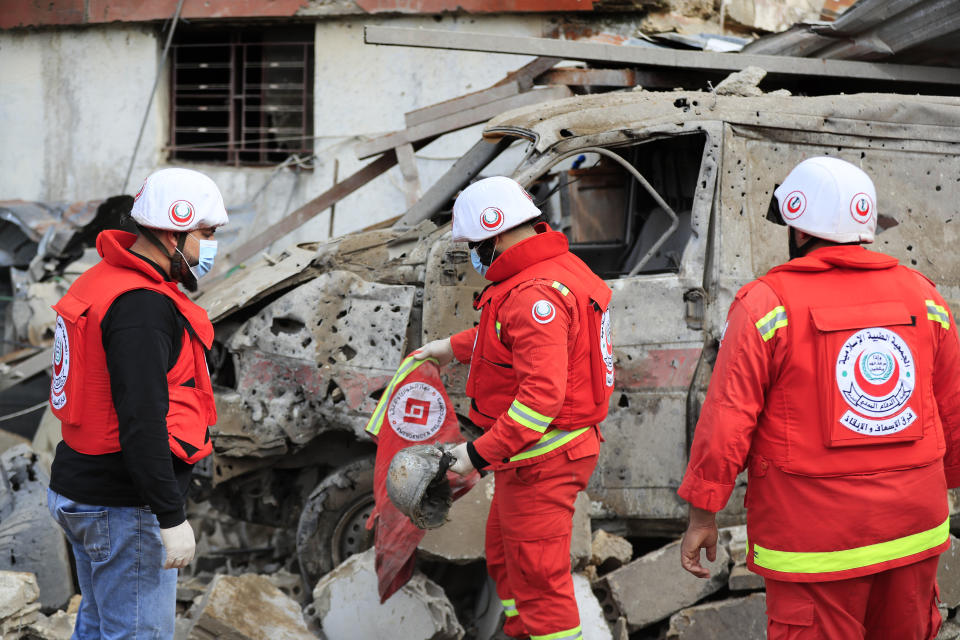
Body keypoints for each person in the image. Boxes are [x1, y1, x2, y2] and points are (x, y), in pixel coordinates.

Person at [678, 156, 960, 639]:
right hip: (914, 529)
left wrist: (704, 512)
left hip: (814, 545)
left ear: (799, 228)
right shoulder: (924, 296)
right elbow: (951, 404)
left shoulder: (765, 304)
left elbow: (728, 420)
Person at [415, 176, 614, 640]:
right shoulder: (554, 270)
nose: (473, 256)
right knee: (505, 557)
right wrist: (451, 347)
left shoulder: (533, 294)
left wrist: (474, 455)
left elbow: (538, 403)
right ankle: (520, 631)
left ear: (497, 232)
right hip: (531, 457)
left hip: (543, 457)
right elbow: (506, 339)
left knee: (538, 579)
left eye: (475, 246)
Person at [46, 168, 227, 638]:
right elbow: (142, 420)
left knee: (100, 622)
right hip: (122, 506)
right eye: (206, 234)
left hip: (82, 485)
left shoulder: (104, 279)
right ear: (173, 229)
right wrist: (170, 517)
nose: (211, 247)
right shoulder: (142, 308)